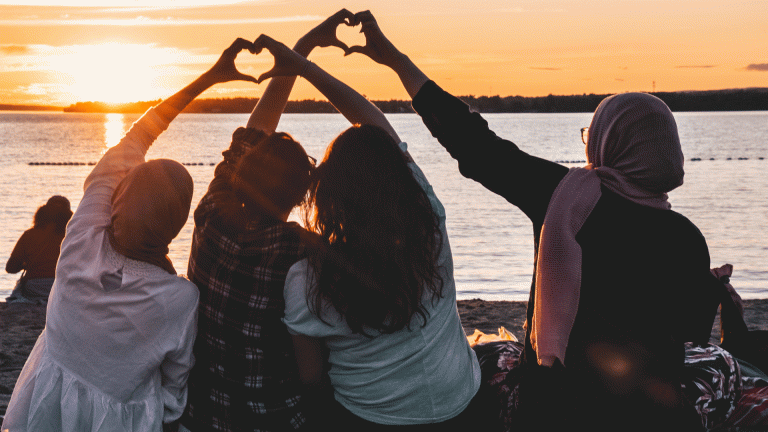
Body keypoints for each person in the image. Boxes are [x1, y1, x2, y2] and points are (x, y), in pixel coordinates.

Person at [344, 11, 721, 431]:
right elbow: (691, 335)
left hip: (556, 409)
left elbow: (470, 141)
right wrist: (711, 291)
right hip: (651, 414)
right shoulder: (688, 238)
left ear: (608, 142)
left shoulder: (562, 196)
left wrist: (396, 61)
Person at [1, 39, 260, 432]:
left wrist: (208, 77)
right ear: (175, 227)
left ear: (115, 203)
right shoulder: (180, 298)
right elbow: (175, 386)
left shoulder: (81, 238)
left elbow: (137, 137)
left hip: (46, 400)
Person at [253, 33, 483, 431]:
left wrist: (300, 61)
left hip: (373, 420)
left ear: (330, 194)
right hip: (462, 406)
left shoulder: (309, 277)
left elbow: (312, 381)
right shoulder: (430, 224)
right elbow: (375, 124)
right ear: (399, 181)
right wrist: (305, 68)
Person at [180, 11, 356, 432]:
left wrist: (301, 50)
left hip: (202, 415)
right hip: (275, 420)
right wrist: (302, 53)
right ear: (300, 196)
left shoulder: (210, 214)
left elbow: (252, 131)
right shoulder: (303, 251)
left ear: (244, 173)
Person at [5, 195, 72, 304]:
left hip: (34, 288)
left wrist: (26, 264)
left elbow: (10, 268)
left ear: (43, 213)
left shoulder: (29, 235)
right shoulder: (73, 236)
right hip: (62, 287)